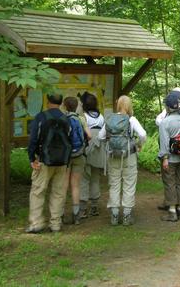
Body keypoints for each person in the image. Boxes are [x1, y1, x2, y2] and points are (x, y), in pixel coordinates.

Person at [26, 93, 71, 233]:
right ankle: (56, 224)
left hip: (44, 160)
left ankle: (36, 223)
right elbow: (70, 138)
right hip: (62, 161)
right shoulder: (66, 118)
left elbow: (33, 139)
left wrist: (32, 158)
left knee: (38, 191)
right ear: (61, 102)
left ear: (47, 101)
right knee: (58, 192)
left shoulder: (41, 117)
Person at [99, 95, 147, 226]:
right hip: (129, 155)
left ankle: (114, 215)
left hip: (113, 155)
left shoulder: (110, 119)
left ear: (118, 105)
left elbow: (100, 136)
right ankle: (126, 215)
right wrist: (137, 144)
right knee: (129, 184)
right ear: (129, 105)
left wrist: (111, 143)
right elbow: (143, 134)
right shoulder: (131, 120)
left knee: (114, 184)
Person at [63, 96, 91, 225]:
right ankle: (76, 216)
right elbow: (89, 135)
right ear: (77, 106)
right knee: (75, 186)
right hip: (79, 155)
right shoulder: (81, 119)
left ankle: (61, 214)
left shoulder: (63, 119)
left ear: (64, 106)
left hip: (66, 157)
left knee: (63, 185)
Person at [79, 92, 106, 219]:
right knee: (95, 178)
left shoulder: (83, 117)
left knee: (84, 179)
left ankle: (83, 208)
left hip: (86, 150)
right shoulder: (101, 117)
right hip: (99, 150)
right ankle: (94, 206)